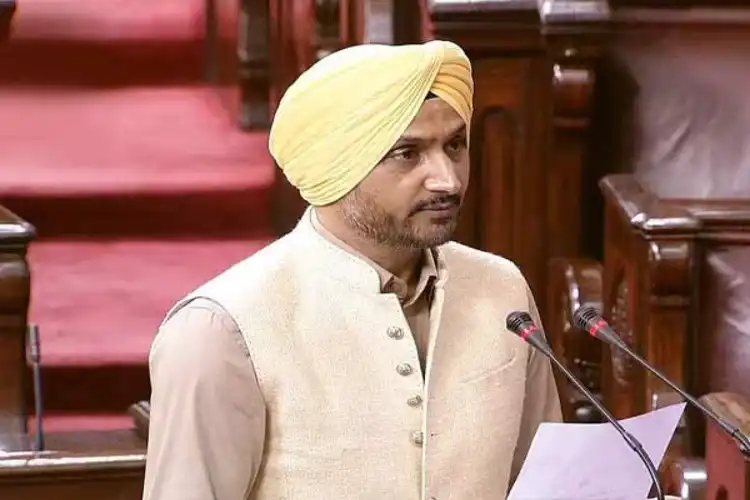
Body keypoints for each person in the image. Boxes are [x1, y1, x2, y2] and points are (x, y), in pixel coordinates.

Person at [143, 40, 562, 500]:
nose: (448, 179)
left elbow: (551, 486)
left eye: (455, 145)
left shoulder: (501, 290)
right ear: (338, 165)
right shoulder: (220, 330)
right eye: (408, 153)